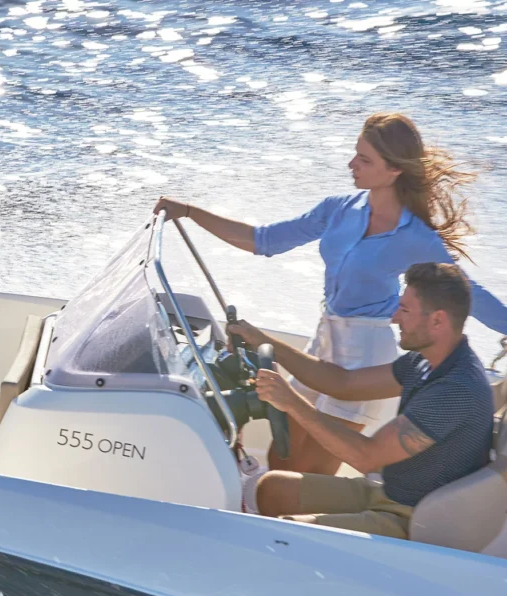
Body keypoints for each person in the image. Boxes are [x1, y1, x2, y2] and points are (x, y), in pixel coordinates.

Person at [155, 112, 507, 475]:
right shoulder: (338, 209)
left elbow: (468, 294)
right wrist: (189, 212)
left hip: (366, 353)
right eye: (356, 153)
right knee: (281, 456)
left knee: (311, 468)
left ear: (394, 170)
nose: (351, 164)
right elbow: (263, 240)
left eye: (364, 159)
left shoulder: (416, 237)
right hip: (324, 340)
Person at [226, 263, 494, 539]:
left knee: (286, 535)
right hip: (388, 491)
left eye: (405, 310)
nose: (395, 318)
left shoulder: (455, 389)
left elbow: (366, 456)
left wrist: (291, 402)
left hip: (414, 518)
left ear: (437, 321)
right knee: (271, 489)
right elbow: (343, 383)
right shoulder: (424, 361)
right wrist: (261, 341)